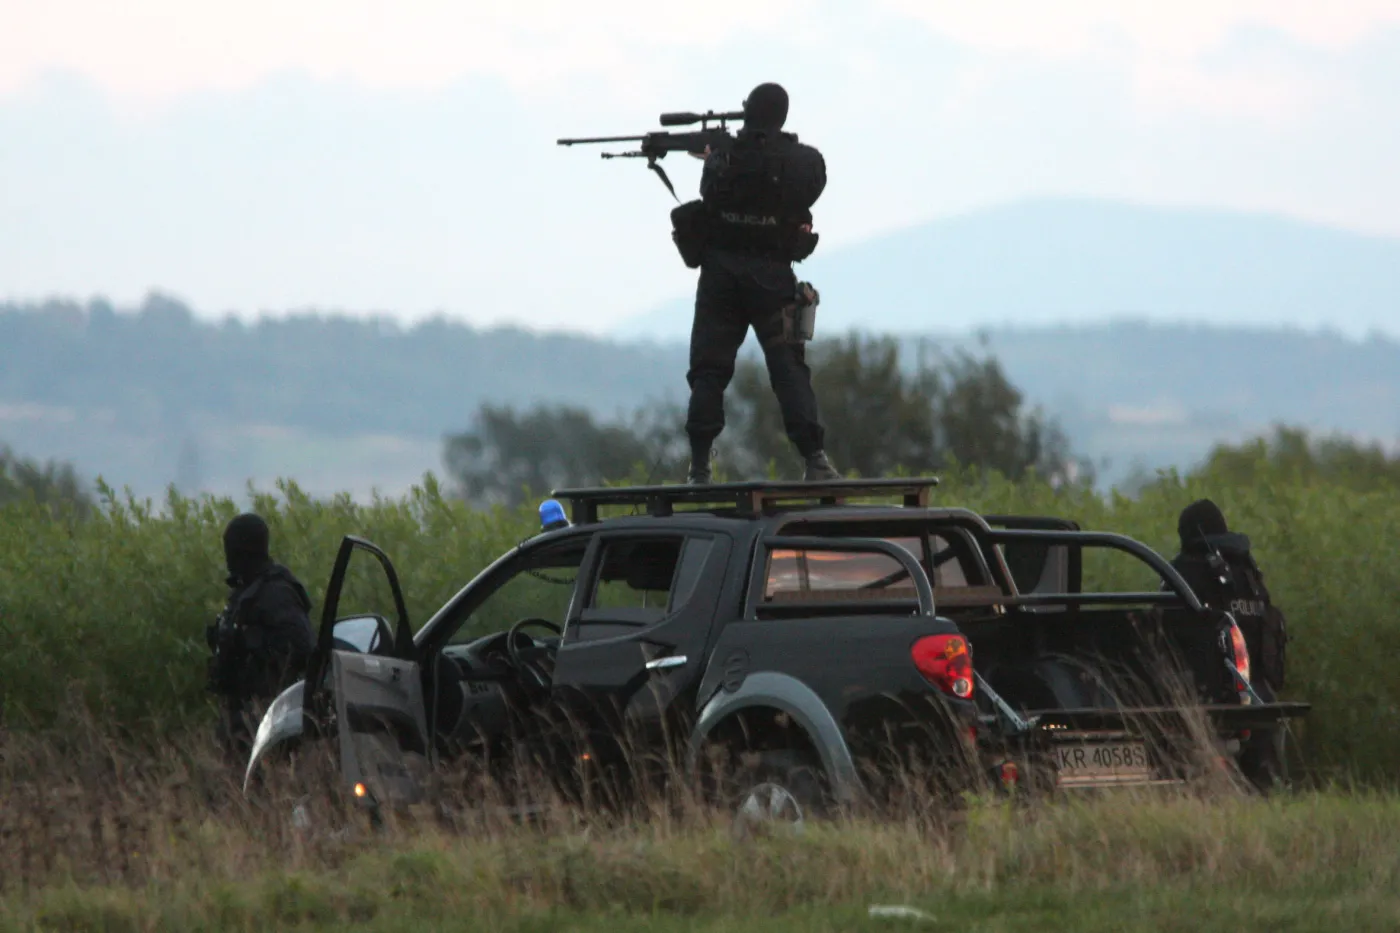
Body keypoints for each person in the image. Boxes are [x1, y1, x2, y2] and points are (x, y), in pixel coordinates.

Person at [679, 81, 840, 485]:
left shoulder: (724, 159)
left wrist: (715, 156)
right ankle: (815, 460)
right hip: (771, 277)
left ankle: (699, 466)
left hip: (720, 278)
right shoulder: (802, 162)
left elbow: (709, 193)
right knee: (789, 368)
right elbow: (813, 183)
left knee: (708, 371)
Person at [1169, 498, 1291, 788]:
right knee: (1267, 787)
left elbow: (1166, 636)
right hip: (1261, 696)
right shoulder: (1247, 570)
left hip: (1209, 702)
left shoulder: (1184, 572)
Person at [205, 512, 316, 765]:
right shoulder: (246, 592)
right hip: (241, 715)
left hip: (268, 714)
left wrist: (252, 643)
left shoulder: (276, 592)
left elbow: (303, 646)